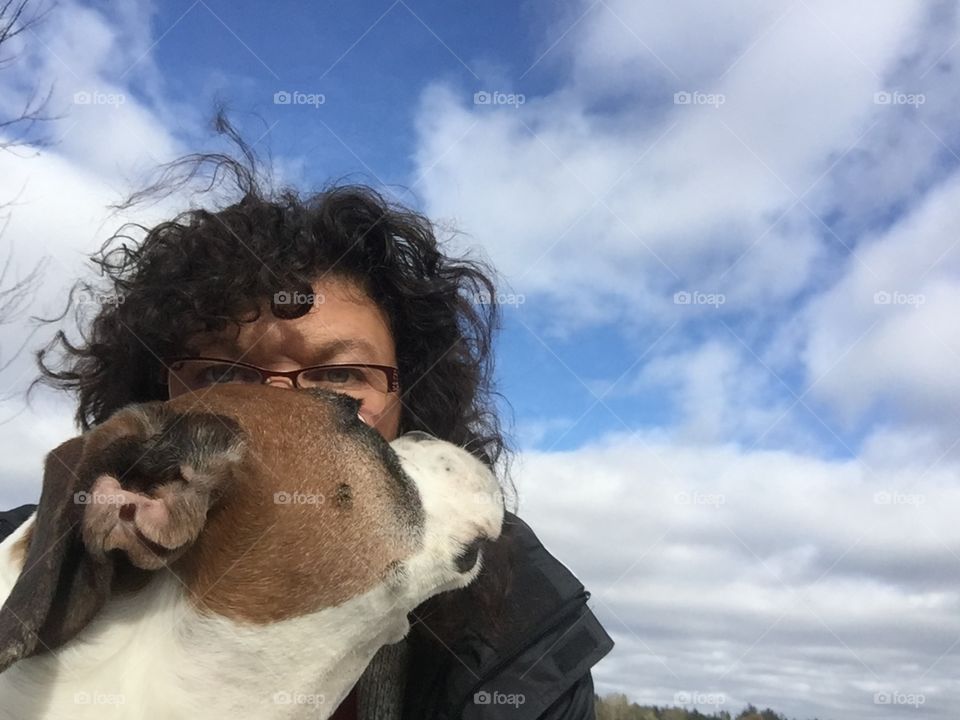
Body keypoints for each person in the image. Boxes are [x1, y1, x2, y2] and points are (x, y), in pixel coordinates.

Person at [0, 139, 613, 719]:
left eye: (342, 376)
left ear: (411, 396)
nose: (274, 402)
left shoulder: (525, 641)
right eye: (219, 372)